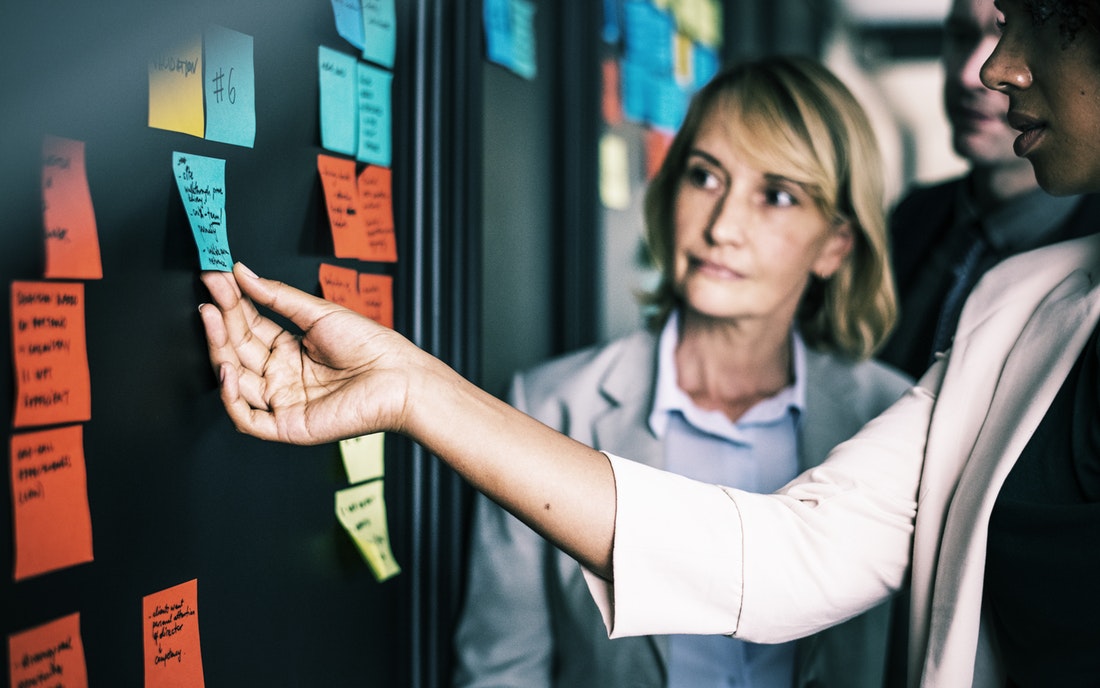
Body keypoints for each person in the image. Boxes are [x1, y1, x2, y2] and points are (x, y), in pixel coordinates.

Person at [196, 2, 1100, 684]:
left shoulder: (874, 394)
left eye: (1033, 18)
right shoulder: (1020, 309)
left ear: (837, 241)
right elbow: (780, 560)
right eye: (704, 176)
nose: (995, 67)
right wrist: (411, 387)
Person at [452, 57, 912, 688]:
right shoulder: (552, 406)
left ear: (836, 243)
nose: (722, 227)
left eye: (776, 196)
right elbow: (503, 671)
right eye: (705, 177)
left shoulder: (893, 421)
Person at [878, 0, 1100, 379]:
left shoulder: (1091, 260)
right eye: (961, 36)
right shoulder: (908, 219)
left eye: (1013, 35)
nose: (973, 74)